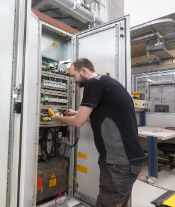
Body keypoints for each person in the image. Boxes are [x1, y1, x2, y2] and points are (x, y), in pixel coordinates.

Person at [52, 58, 146, 207]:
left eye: (74, 76)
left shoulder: (93, 84)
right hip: (123, 160)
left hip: (120, 163)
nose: (74, 81)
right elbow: (97, 118)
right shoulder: (106, 82)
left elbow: (78, 122)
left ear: (84, 70)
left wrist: (58, 118)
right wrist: (76, 113)